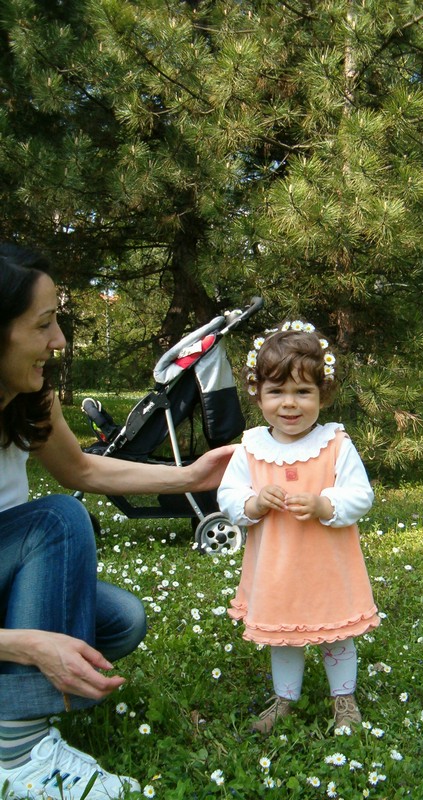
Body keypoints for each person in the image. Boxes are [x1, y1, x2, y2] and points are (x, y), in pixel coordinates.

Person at [0, 243, 235, 799]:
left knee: (120, 621)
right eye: (44, 324)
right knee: (59, 520)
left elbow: (81, 468)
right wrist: (26, 646)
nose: (59, 341)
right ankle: (16, 751)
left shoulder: (28, 398)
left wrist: (190, 476)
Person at [217, 320, 379, 735]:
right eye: (276, 391)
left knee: (337, 633)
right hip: (278, 571)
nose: (289, 404)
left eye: (303, 392)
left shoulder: (335, 444)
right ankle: (285, 699)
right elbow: (228, 495)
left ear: (323, 394)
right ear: (257, 393)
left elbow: (360, 495)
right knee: (283, 635)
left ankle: (344, 699)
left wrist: (327, 504)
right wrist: (253, 503)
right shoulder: (251, 448)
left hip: (328, 568)